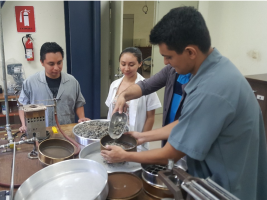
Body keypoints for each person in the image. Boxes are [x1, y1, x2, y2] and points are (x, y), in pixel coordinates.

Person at [101, 6, 267, 199]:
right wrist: (142, 135)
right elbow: (186, 122)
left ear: (190, 52)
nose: (165, 63)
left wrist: (125, 155)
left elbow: (170, 154)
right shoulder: (216, 68)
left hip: (226, 187)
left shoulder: (211, 90)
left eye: (168, 57)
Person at [18, 42, 90, 132]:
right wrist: (24, 125)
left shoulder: (72, 82)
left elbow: (79, 103)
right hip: (39, 131)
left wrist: (82, 118)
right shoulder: (30, 83)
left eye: (59, 62)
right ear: (42, 62)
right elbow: (22, 106)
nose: (56, 68)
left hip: (65, 131)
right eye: (51, 64)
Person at [105, 47, 161, 133]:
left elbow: (150, 118)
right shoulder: (114, 85)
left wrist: (142, 139)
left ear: (140, 64)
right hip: (115, 133)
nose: (126, 69)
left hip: (135, 136)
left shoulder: (147, 86)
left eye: (131, 65)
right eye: (123, 64)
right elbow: (110, 112)